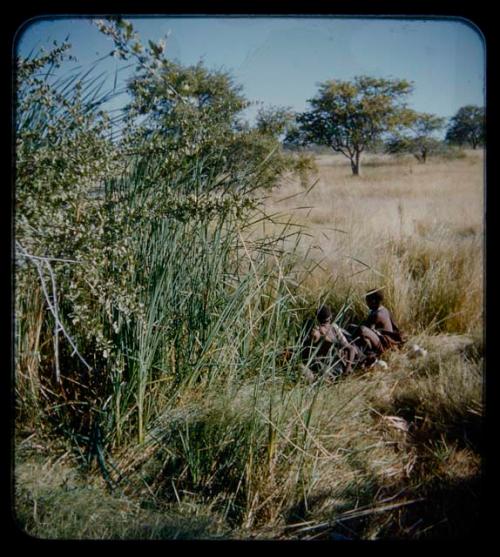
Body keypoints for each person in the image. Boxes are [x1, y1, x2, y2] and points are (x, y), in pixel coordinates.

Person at [300, 305, 360, 381]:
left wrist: (347, 367)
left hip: (336, 365)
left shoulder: (333, 328)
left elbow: (350, 348)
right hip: (329, 365)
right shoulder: (319, 331)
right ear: (330, 318)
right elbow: (350, 348)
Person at [354, 289, 404, 365]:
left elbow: (367, 330)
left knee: (362, 330)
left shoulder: (377, 315)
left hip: (384, 344)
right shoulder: (385, 310)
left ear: (374, 301)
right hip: (387, 341)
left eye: (368, 301)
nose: (366, 303)